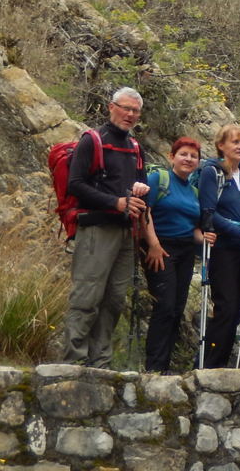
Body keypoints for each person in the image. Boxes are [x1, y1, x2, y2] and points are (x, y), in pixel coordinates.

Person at [63, 87, 149, 368]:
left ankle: (100, 364)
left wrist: (140, 192)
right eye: (126, 108)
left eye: (135, 111)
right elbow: (75, 184)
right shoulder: (93, 140)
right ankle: (74, 362)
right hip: (96, 229)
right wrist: (116, 202)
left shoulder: (135, 147)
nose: (130, 114)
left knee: (114, 300)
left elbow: (141, 187)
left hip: (125, 232)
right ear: (111, 107)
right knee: (87, 296)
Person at [140, 136, 207, 372]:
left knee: (177, 309)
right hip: (160, 247)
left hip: (186, 250)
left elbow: (193, 227)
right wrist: (153, 245)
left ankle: (165, 366)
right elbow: (144, 212)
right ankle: (154, 368)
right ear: (172, 157)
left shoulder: (194, 191)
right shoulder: (159, 179)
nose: (188, 159)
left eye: (193, 156)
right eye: (183, 154)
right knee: (165, 306)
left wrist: (207, 240)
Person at [198, 123, 240, 368]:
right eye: (235, 142)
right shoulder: (211, 172)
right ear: (221, 145)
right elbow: (208, 212)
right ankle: (210, 365)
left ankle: (218, 363)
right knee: (226, 306)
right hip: (223, 248)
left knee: (237, 309)